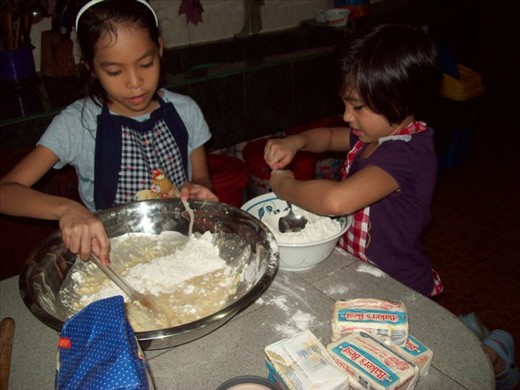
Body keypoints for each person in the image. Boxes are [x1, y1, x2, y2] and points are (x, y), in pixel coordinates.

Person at [263, 22, 519, 390]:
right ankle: (467, 330)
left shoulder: (407, 154)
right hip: (363, 273)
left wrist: (287, 186)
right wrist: (297, 141)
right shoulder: (376, 132)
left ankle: (493, 355)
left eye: (357, 106)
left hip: (398, 282)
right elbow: (330, 136)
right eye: (346, 104)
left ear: (399, 101)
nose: (348, 116)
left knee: (439, 359)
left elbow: (337, 200)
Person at [0, 0, 218, 265]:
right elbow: (6, 191)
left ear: (159, 48)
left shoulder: (185, 111)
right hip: (113, 260)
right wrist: (66, 209)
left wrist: (199, 191)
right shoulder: (78, 124)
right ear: (90, 67)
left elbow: (202, 178)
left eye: (146, 64)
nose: (135, 83)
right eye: (114, 71)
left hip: (182, 250)